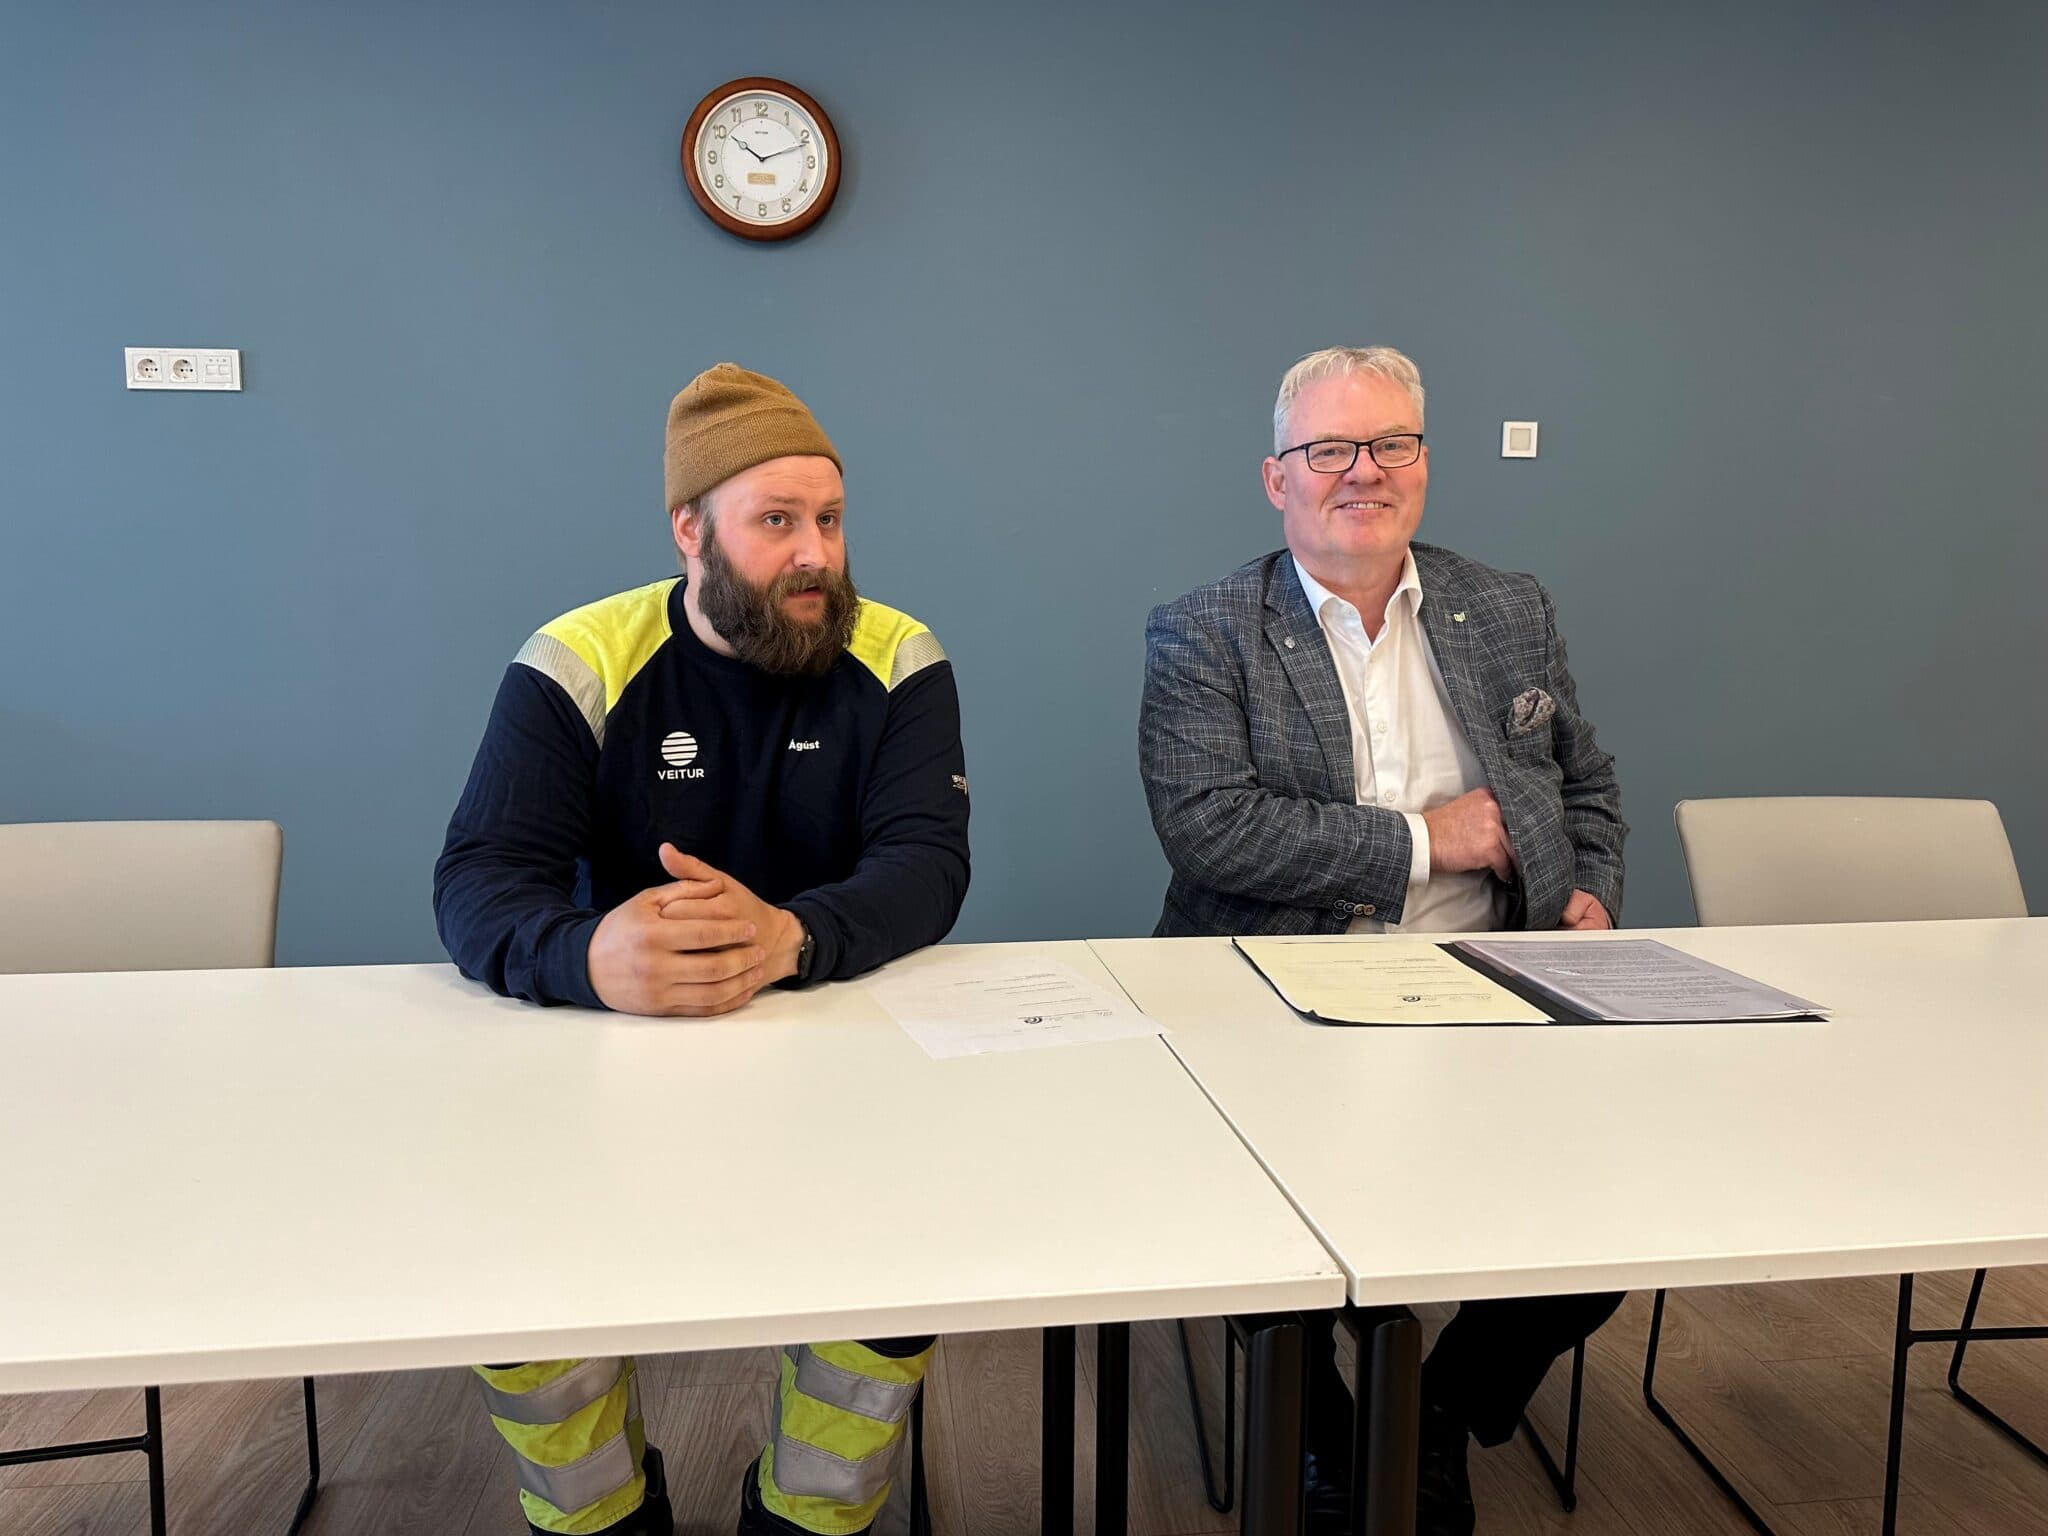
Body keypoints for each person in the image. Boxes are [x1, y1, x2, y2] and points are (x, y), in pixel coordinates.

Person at [434, 363, 970, 1536]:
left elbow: (927, 865)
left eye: (828, 519)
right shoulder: (578, 658)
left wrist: (790, 935)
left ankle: (805, 1517)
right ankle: (603, 1518)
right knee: (510, 1278)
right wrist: (585, 956)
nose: (814, 554)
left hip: (839, 1052)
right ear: (690, 531)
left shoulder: (898, 654)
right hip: (610, 1056)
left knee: (898, 1273)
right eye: (776, 522)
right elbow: (477, 881)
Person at [1138, 346, 1626, 1536]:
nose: (1361, 470)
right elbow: (1210, 829)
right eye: (1328, 449)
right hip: (1270, 992)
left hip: (1493, 986)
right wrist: (1428, 842)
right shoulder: (1204, 630)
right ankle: (1316, 1433)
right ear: (1277, 479)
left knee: (1619, 1212)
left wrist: (1591, 894)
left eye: (1389, 443)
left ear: (1422, 461)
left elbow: (1586, 784)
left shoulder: (1507, 608)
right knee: (1261, 1220)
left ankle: (1435, 1415)